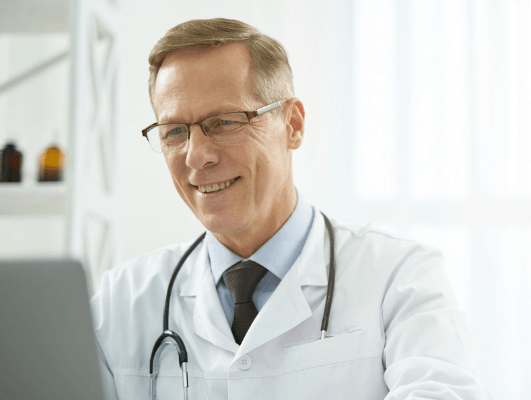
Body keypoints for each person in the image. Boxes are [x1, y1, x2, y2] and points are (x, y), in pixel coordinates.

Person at [90, 18, 491, 400]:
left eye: (226, 122)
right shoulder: (118, 304)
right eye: (175, 131)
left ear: (293, 125)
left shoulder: (399, 278)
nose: (197, 156)